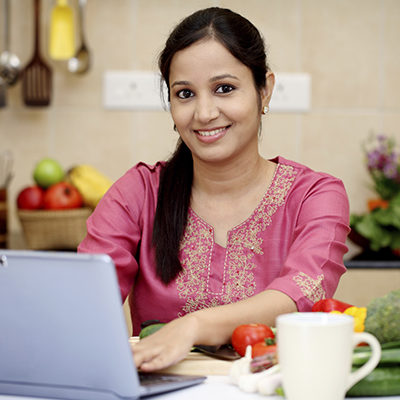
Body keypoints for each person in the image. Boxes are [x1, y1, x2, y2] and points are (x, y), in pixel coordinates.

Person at [78, 7, 350, 372]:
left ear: (264, 90)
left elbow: (299, 295)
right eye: (185, 93)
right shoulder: (138, 193)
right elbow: (83, 301)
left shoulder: (315, 196)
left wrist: (193, 326)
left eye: (224, 88)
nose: (204, 113)